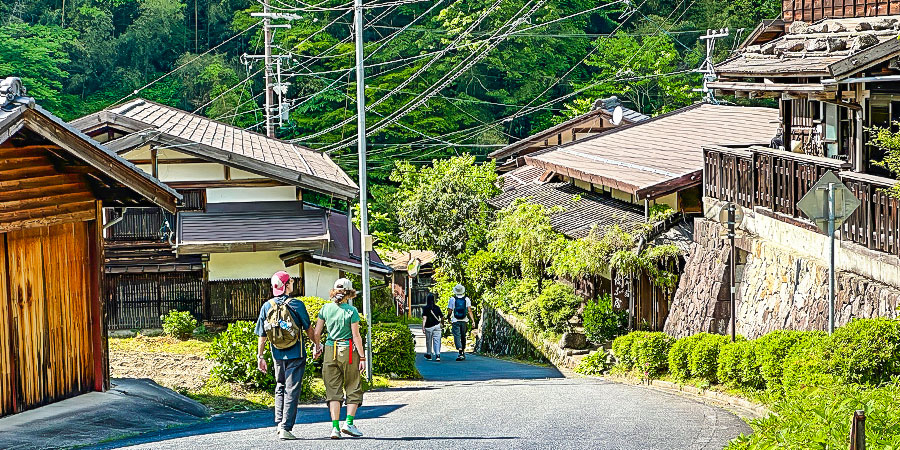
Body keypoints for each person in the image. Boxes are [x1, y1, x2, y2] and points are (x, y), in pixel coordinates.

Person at [255, 271, 321, 440]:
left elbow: (262, 335)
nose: (293, 283)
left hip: (277, 352)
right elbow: (308, 329)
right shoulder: (296, 304)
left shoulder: (266, 306)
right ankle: (286, 427)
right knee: (292, 389)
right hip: (296, 353)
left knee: (280, 385)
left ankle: (279, 423)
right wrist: (317, 344)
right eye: (291, 281)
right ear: (286, 286)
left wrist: (260, 356)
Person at [314, 278, 366, 439]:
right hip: (348, 350)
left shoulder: (325, 309)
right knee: (353, 385)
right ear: (349, 293)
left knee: (333, 390)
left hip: (330, 349)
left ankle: (335, 428)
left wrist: (317, 347)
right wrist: (362, 357)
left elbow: (317, 333)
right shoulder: (352, 311)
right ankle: (348, 423)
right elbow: (356, 336)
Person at [446, 284, 475, 361]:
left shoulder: (452, 299)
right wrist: (473, 320)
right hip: (464, 320)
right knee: (463, 336)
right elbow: (469, 310)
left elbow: (450, 310)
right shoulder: (466, 299)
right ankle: (462, 351)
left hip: (455, 320)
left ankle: (460, 351)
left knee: (457, 335)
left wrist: (448, 317)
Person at [421, 293, 443, 361]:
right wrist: (442, 324)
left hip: (428, 327)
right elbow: (442, 316)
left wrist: (423, 327)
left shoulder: (425, 308)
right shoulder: (437, 307)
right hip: (437, 326)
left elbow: (424, 319)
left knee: (428, 341)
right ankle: (437, 355)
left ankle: (429, 354)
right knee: (437, 340)